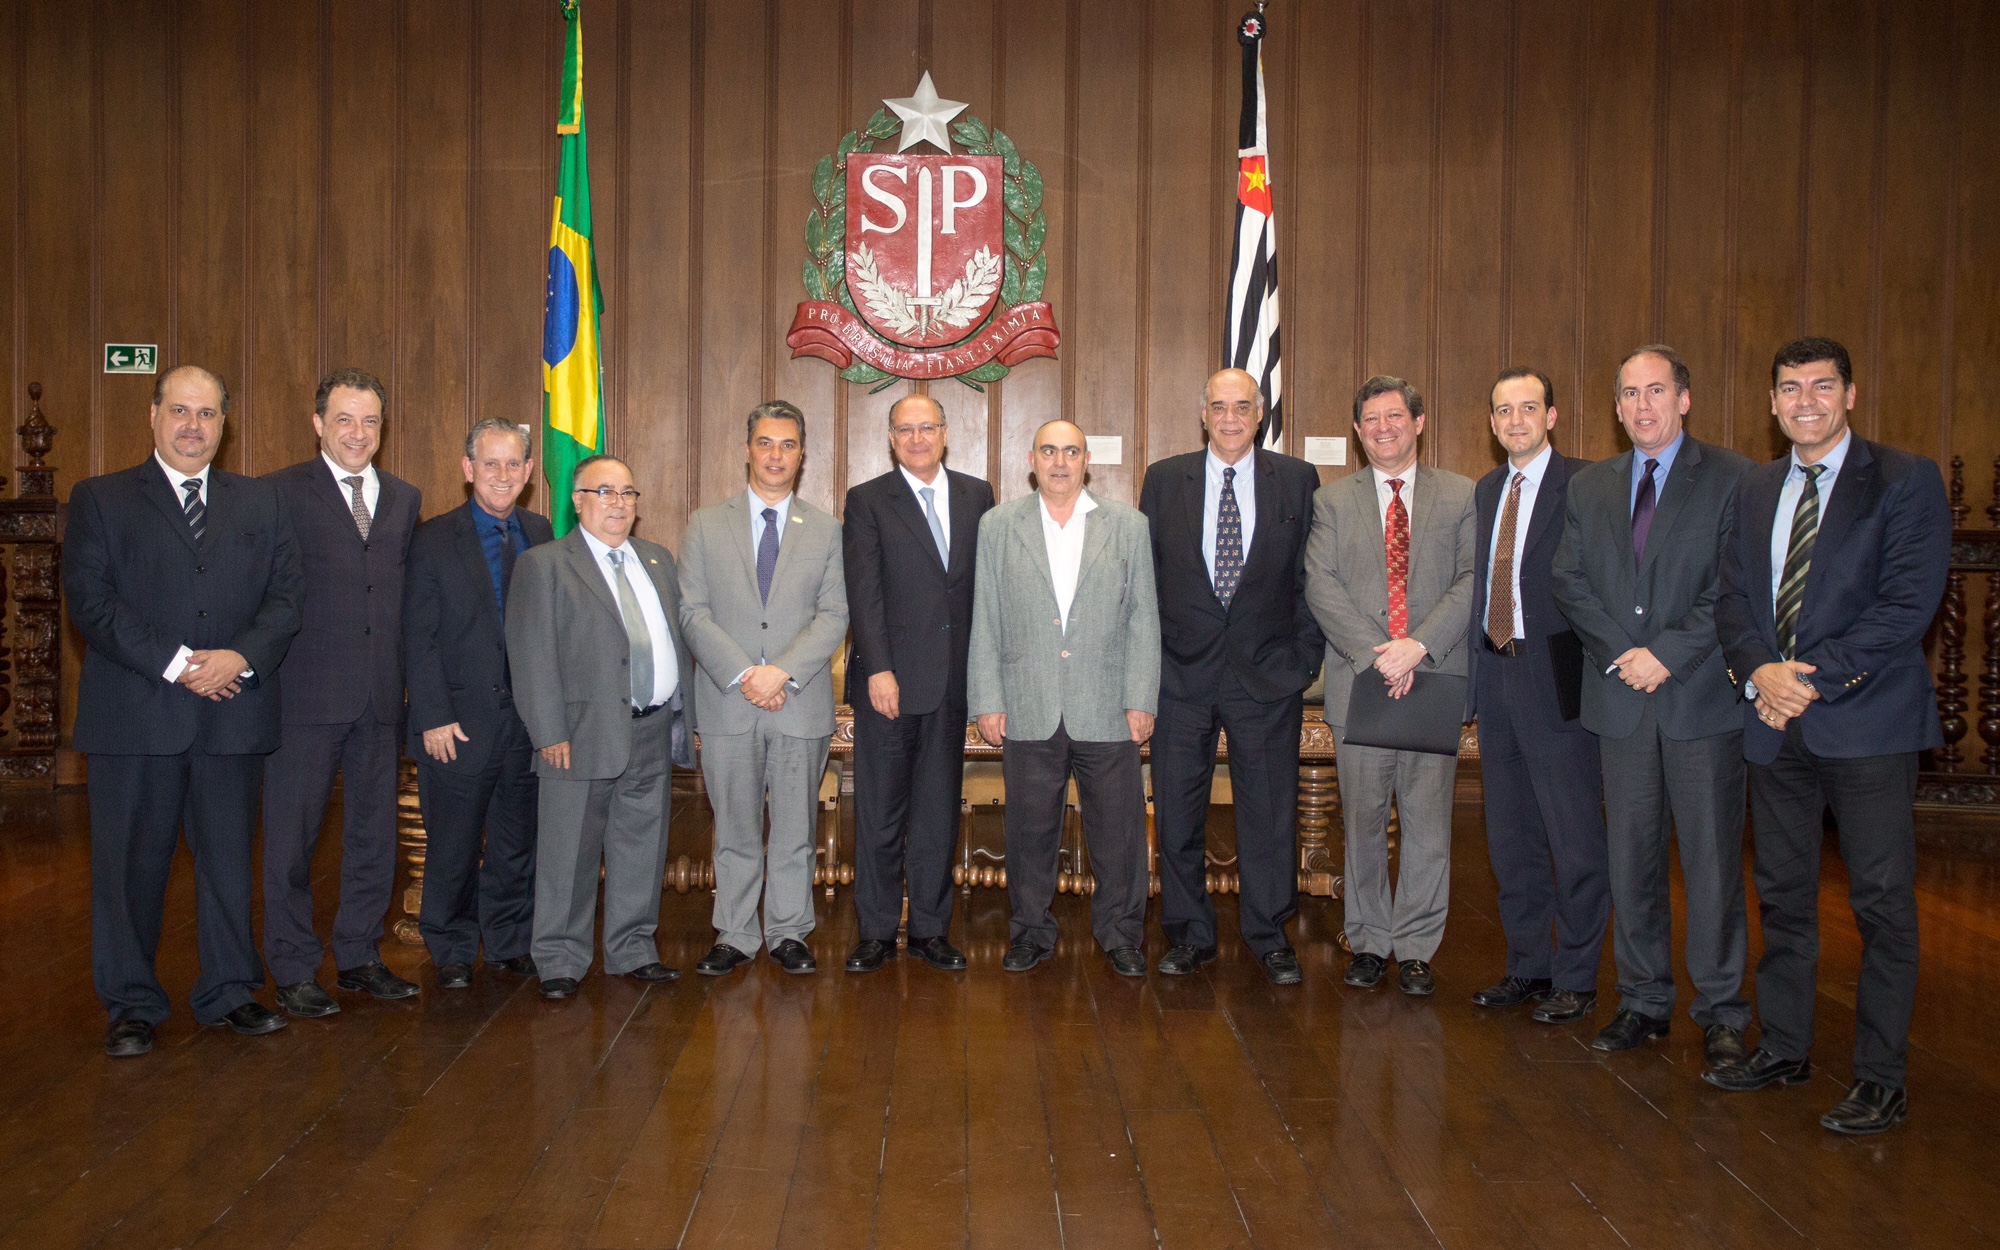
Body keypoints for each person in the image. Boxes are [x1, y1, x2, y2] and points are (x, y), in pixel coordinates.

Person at [1705, 336, 1950, 1134]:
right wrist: (1758, 673)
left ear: (1849, 394)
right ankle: (1785, 1046)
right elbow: (1732, 600)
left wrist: (1797, 680)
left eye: (1820, 386)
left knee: (1881, 904)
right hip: (1773, 725)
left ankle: (1880, 1076)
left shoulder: (1905, 480)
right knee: (1783, 895)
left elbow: (1905, 608)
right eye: (1788, 388)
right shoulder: (1754, 487)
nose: (1803, 400)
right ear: (1771, 403)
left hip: (1865, 721)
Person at [64, 365, 304, 1055]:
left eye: (206, 414)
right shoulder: (101, 499)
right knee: (130, 869)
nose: (192, 425)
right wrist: (179, 663)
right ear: (153, 416)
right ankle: (132, 1004)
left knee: (228, 864)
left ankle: (229, 991)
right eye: (179, 411)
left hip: (233, 712)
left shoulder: (262, 504)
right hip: (136, 717)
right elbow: (92, 602)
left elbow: (287, 599)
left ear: (225, 425)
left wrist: (238, 656)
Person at [1551, 345, 1753, 1069]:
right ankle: (1642, 1000)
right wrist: (1622, 651)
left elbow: (1734, 586)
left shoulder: (1733, 478)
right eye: (1630, 394)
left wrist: (1667, 652)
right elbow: (1568, 579)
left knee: (1711, 867)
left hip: (1699, 700)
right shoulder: (1592, 486)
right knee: (1630, 861)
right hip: (1621, 699)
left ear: (1685, 398)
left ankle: (1724, 1010)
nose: (1643, 406)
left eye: (1656, 391)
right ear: (1615, 408)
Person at [1139, 368, 1322, 985]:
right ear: (1203, 413)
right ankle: (1189, 933)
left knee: (1269, 814)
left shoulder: (1296, 481)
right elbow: (1147, 584)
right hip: (1179, 677)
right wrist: (1150, 670)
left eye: (1242, 406)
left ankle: (1268, 934)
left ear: (1260, 412)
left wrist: (1302, 662)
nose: (1230, 417)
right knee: (1179, 812)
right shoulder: (1165, 480)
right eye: (1219, 406)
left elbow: (1308, 580)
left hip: (1267, 678)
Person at [968, 419, 1161, 977]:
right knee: (1029, 831)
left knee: (1119, 830)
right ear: (1032, 459)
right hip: (1027, 702)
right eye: (1049, 451)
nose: (1059, 461)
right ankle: (1030, 931)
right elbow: (987, 618)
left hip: (1108, 705)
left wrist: (1140, 697)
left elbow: (1144, 620)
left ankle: (1122, 934)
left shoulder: (1128, 525)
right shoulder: (998, 525)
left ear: (1086, 461)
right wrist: (987, 697)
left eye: (1070, 451)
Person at [1304, 376, 1476, 996]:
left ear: (1419, 422)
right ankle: (1371, 941)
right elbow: (1320, 583)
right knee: (1364, 820)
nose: (1383, 428)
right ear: (1357, 431)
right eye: (1371, 419)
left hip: (1432, 676)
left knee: (1429, 823)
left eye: (1395, 416)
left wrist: (1417, 645)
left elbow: (1469, 580)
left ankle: (1417, 948)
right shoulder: (1332, 502)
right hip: (1362, 678)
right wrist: (1378, 654)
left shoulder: (1461, 496)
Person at [260, 369, 422, 1016]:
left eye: (371, 422)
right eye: (345, 420)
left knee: (374, 838)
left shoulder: (406, 498)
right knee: (291, 841)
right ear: (319, 423)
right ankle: (295, 966)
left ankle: (358, 956)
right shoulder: (278, 495)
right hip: (303, 696)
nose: (358, 433)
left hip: (381, 699)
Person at [506, 454, 696, 999]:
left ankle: (633, 948)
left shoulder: (657, 560)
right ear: (578, 500)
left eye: (628, 493)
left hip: (651, 729)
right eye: (605, 491)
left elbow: (674, 643)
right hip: (575, 734)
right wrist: (546, 732)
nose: (618, 503)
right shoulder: (544, 565)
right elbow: (531, 654)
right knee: (569, 849)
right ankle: (560, 959)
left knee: (642, 845)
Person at [678, 401, 850, 977]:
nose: (776, 456)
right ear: (747, 448)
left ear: (802, 455)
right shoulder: (705, 523)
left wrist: (781, 672)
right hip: (729, 699)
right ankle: (734, 932)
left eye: (788, 445)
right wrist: (747, 674)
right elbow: (693, 612)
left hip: (799, 702)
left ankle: (788, 931)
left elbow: (833, 615)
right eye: (765, 443)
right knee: (734, 826)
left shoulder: (827, 529)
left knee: (796, 828)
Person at [1466, 368, 1608, 1024]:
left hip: (1557, 679)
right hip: (1497, 673)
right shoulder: (1488, 488)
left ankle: (1577, 975)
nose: (1515, 420)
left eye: (1528, 408)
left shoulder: (1585, 484)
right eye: (1504, 411)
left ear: (1552, 416)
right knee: (1511, 835)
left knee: (1573, 834)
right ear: (1492, 424)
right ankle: (1528, 964)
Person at [840, 392, 994, 973]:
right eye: (905, 430)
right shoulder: (868, 500)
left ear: (946, 433)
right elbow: (865, 593)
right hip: (890, 685)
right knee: (880, 812)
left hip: (953, 683)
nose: (917, 439)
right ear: (891, 438)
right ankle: (876, 932)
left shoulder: (978, 495)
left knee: (937, 812)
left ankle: (931, 928)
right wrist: (878, 668)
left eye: (927, 428)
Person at [403, 418, 553, 988]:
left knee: (517, 841)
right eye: (489, 464)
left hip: (527, 723)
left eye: (513, 464)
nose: (501, 475)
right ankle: (453, 949)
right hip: (457, 724)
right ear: (468, 470)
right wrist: (433, 714)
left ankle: (511, 940)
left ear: (529, 473)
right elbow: (418, 637)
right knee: (453, 844)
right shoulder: (432, 538)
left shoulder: (541, 533)